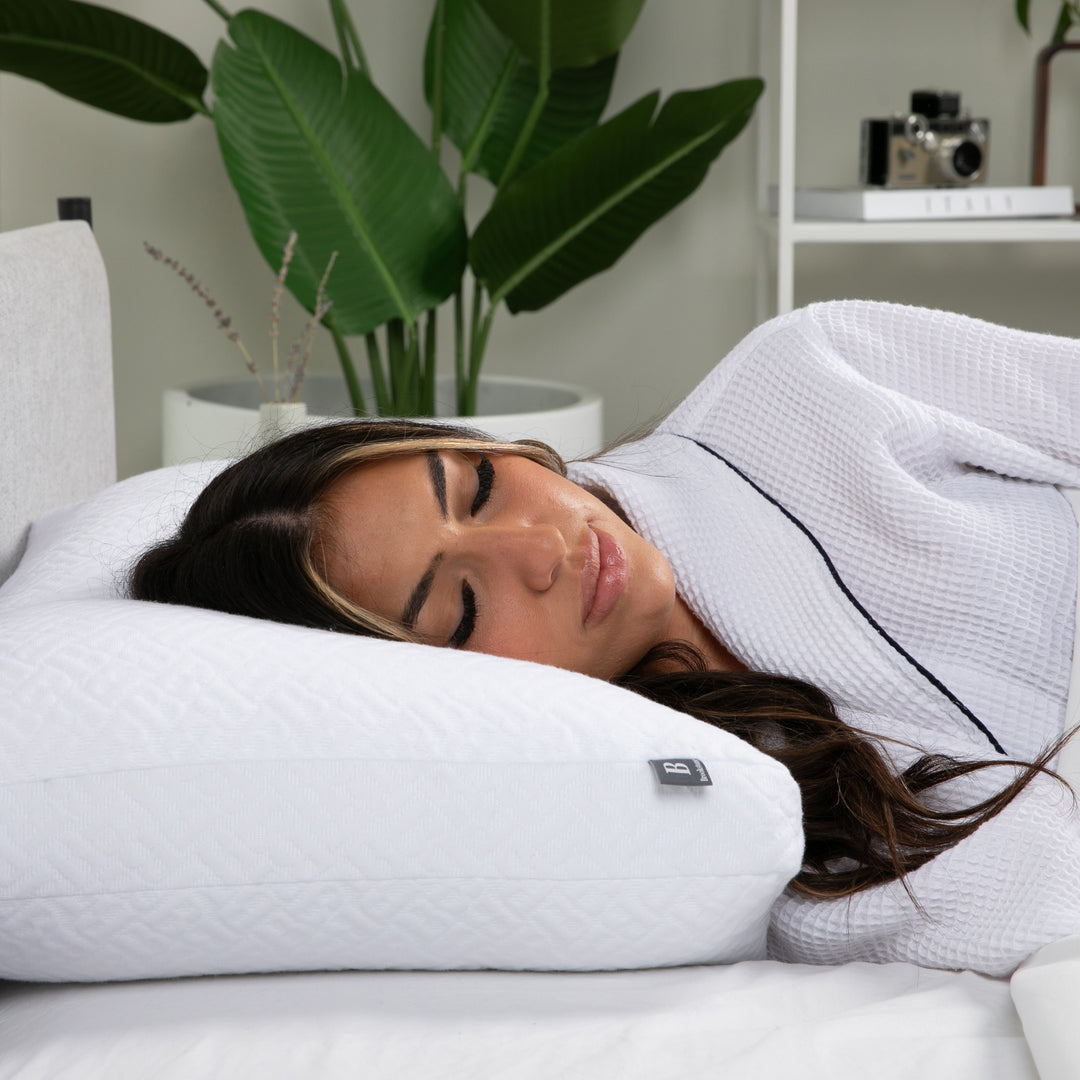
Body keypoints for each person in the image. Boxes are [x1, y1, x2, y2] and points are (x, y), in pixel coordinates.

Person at [131, 299, 1080, 977]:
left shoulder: (806, 379)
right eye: (459, 610)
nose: (544, 546)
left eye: (481, 487)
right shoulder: (710, 813)